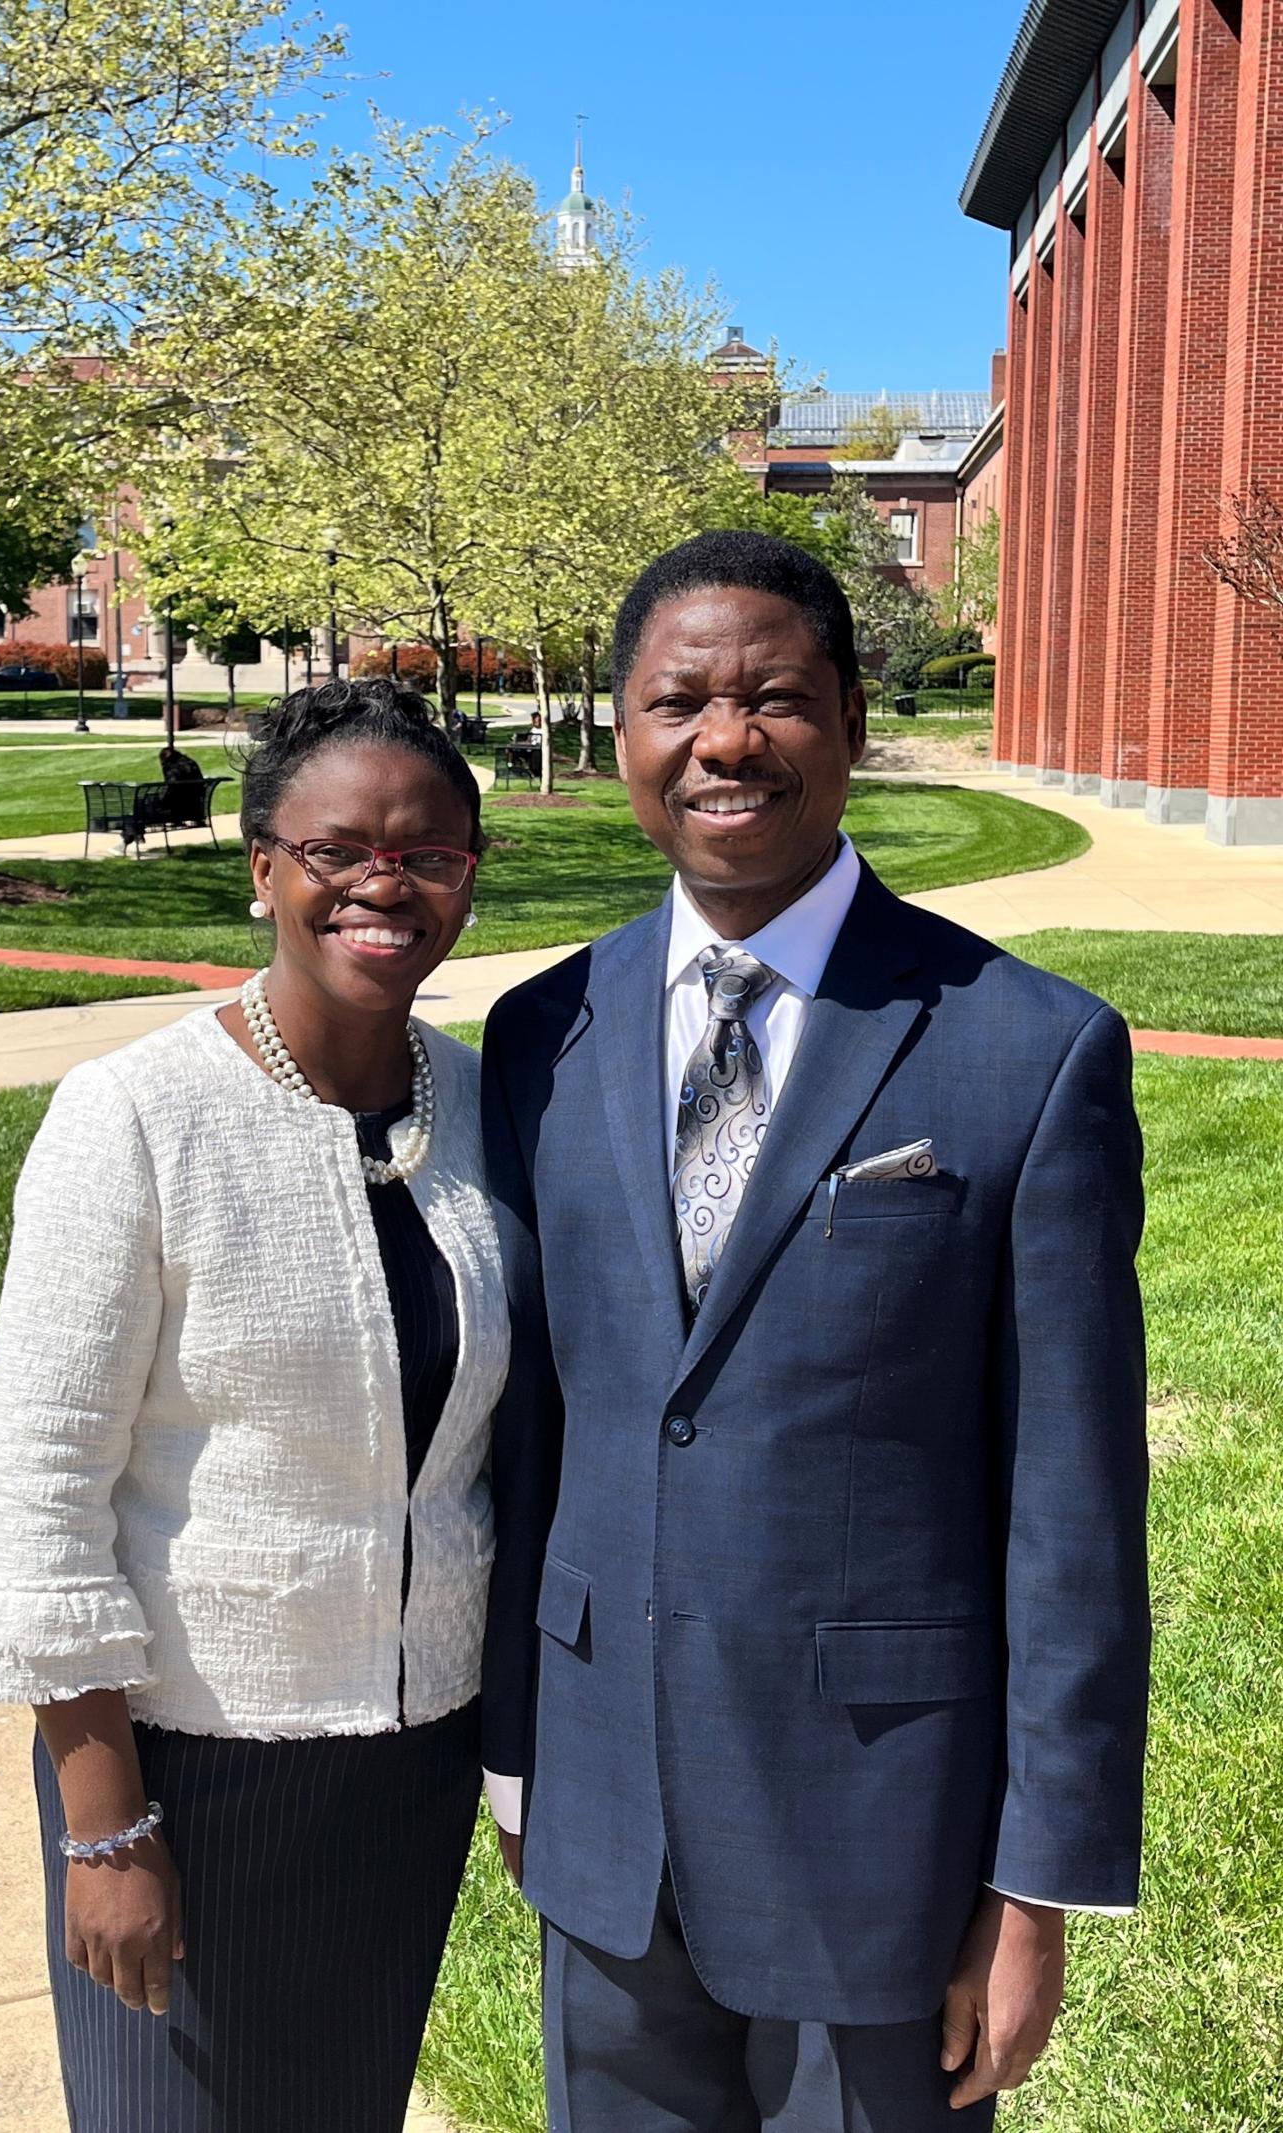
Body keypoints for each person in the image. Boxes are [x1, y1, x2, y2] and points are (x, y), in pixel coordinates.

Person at [480, 531, 1150, 2132]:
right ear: (626, 732)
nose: (725, 740)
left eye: (774, 696)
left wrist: (1035, 1878)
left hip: (884, 1839)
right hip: (603, 1811)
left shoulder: (1027, 1050)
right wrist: (517, 1755)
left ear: (849, 717)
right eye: (677, 702)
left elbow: (1072, 1505)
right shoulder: (540, 1035)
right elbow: (537, 1429)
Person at [0, 676, 506, 2133]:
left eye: (429, 852)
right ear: (265, 866)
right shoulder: (133, 1115)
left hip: (407, 1767)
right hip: (188, 1764)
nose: (386, 883)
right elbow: (47, 1484)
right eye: (340, 849)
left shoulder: (483, 1108)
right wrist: (104, 1821)